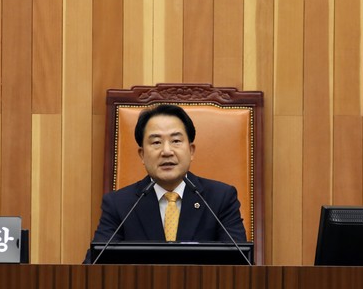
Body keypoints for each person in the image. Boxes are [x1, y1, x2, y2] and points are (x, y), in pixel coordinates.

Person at [85, 104, 246, 262]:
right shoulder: (119, 205)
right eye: (156, 142)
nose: (167, 151)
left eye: (176, 140)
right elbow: (94, 267)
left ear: (191, 151)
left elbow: (241, 264)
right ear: (142, 155)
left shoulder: (220, 198)